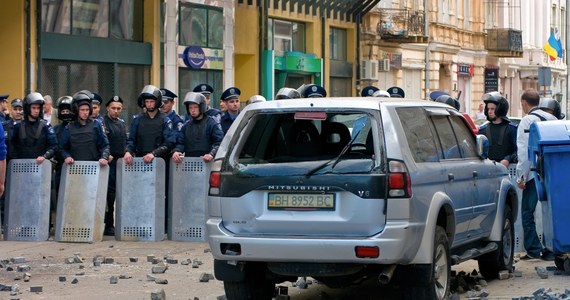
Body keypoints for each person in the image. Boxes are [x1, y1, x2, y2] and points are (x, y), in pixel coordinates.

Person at [516, 89, 557, 261]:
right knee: (551, 212)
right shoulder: (552, 119)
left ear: (524, 104)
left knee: (527, 211)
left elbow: (524, 152)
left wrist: (521, 177)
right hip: (554, 172)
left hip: (534, 174)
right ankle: (553, 247)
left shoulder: (526, 121)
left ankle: (533, 249)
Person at [124, 84, 175, 165]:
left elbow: (169, 143)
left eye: (152, 101)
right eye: (147, 101)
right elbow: (131, 140)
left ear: (157, 102)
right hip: (140, 160)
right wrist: (128, 152)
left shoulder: (165, 120)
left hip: (160, 161)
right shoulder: (137, 119)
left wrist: (154, 154)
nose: (149, 104)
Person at [59, 90, 109, 166]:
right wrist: (67, 157)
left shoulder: (96, 125)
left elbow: (105, 145)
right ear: (76, 110)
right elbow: (62, 148)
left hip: (94, 167)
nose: (85, 112)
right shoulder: (69, 128)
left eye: (87, 110)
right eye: (82, 110)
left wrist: (104, 157)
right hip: (75, 167)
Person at [172, 92, 224, 163]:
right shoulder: (186, 126)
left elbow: (219, 142)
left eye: (195, 107)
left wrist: (211, 154)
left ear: (201, 107)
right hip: (189, 163)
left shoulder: (212, 123)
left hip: (207, 163)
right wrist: (177, 151)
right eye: (190, 107)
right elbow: (181, 143)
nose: (193, 110)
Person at [102, 96, 127, 236]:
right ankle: (108, 224)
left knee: (118, 193)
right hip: (109, 161)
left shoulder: (121, 123)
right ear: (107, 108)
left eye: (119, 108)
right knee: (109, 195)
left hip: (120, 161)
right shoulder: (102, 122)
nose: (116, 111)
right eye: (113, 108)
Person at [11, 92, 57, 164]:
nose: (36, 111)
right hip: (21, 167)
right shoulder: (18, 126)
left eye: (38, 108)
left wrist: (44, 156)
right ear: (28, 108)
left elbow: (53, 146)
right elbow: (12, 146)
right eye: (34, 108)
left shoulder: (46, 126)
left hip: (40, 166)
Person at [477, 92, 517, 167]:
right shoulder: (482, 131)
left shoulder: (511, 129)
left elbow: (518, 150)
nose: (489, 111)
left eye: (492, 109)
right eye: (488, 109)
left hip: (506, 170)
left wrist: (508, 159)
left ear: (500, 109)